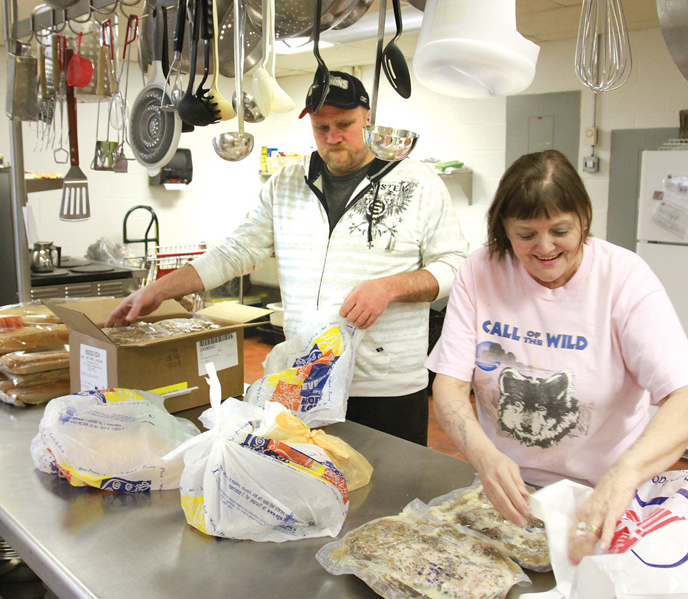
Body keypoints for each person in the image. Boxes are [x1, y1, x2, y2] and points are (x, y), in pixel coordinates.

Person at [107, 71, 468, 446]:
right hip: (304, 381)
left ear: (368, 116)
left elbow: (455, 266)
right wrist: (158, 290)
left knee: (390, 495)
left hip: (383, 386)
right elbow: (237, 251)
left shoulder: (419, 182)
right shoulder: (286, 182)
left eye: (344, 125)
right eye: (320, 127)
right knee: (309, 492)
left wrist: (391, 287)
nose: (332, 138)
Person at [425, 149, 688, 563]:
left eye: (560, 230)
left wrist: (625, 475)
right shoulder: (481, 271)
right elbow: (451, 384)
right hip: (508, 490)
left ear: (584, 219)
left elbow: (683, 396)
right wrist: (485, 457)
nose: (545, 248)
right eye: (526, 235)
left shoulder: (623, 278)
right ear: (503, 231)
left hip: (602, 494)